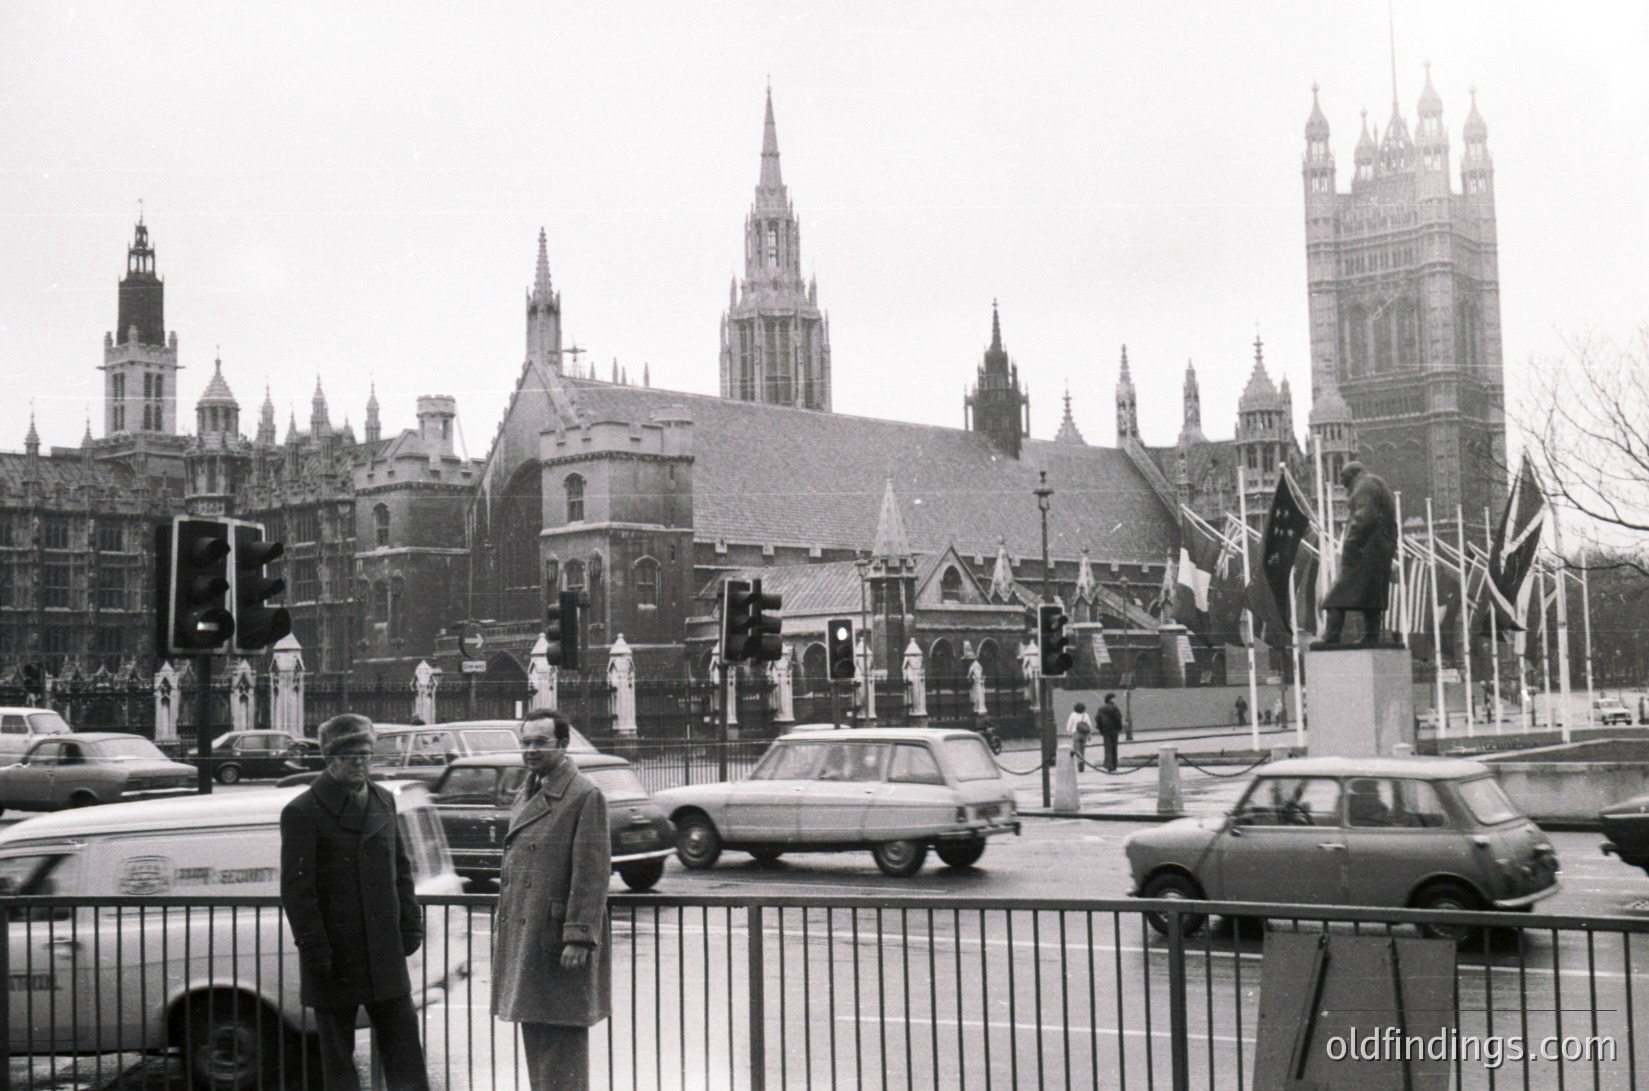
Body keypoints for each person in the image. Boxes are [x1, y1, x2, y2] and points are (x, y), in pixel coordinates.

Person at [280, 714, 429, 1091]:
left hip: (383, 952)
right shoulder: (303, 810)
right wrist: (315, 949)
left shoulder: (383, 799)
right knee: (339, 1061)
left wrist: (411, 922)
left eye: (366, 754)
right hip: (334, 956)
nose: (361, 762)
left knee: (405, 1052)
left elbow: (401, 868)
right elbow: (298, 890)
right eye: (351, 756)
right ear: (330, 758)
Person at [492, 709, 612, 1091]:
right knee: (537, 1034)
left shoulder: (583, 795)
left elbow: (592, 872)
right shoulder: (528, 789)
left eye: (540, 742)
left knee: (561, 1042)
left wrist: (578, 935)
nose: (530, 750)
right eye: (525, 742)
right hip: (531, 939)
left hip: (557, 941)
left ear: (563, 745)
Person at [1319, 461, 1399, 646]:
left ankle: (1331, 638)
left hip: (1364, 552)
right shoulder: (1374, 483)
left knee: (1334, 598)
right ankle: (1371, 637)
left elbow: (1364, 517)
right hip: (1378, 552)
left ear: (1353, 473)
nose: (1341, 480)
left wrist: (1350, 543)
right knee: (1371, 598)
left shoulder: (1365, 485)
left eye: (1343, 476)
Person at [1095, 693, 1125, 773]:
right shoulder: (1115, 708)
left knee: (1107, 748)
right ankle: (1114, 765)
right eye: (1114, 698)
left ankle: (1109, 765)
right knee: (1114, 747)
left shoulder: (1101, 708)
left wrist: (1100, 728)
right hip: (1114, 730)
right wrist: (1120, 728)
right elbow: (1119, 718)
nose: (1115, 700)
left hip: (1105, 730)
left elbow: (1098, 719)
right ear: (1110, 699)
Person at [1065, 702, 1094, 770]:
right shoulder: (1085, 715)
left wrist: (1068, 732)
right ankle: (1082, 761)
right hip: (1083, 734)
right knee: (1082, 749)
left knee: (1076, 748)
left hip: (1076, 733)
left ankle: (1078, 761)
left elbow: (1069, 724)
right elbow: (1089, 725)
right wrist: (1089, 735)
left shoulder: (1072, 715)